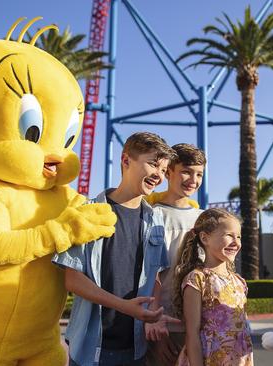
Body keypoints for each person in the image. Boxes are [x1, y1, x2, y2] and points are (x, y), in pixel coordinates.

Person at [53, 132, 178, 366]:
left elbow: (156, 275)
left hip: (136, 348)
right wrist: (126, 307)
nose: (159, 175)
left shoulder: (155, 219)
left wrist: (152, 312)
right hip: (91, 349)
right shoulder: (87, 211)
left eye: (163, 170)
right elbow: (72, 279)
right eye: (153, 164)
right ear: (126, 160)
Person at [145, 143, 206, 365]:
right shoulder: (152, 214)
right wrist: (153, 317)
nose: (193, 179)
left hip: (198, 323)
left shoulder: (203, 219)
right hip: (161, 323)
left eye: (199, 174)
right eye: (186, 171)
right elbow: (149, 271)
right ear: (169, 171)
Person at [173, 208, 254, 366]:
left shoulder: (239, 282)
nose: (236, 242)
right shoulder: (197, 279)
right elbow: (192, 333)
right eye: (229, 235)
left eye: (238, 236)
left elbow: (243, 330)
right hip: (208, 359)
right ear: (205, 238)